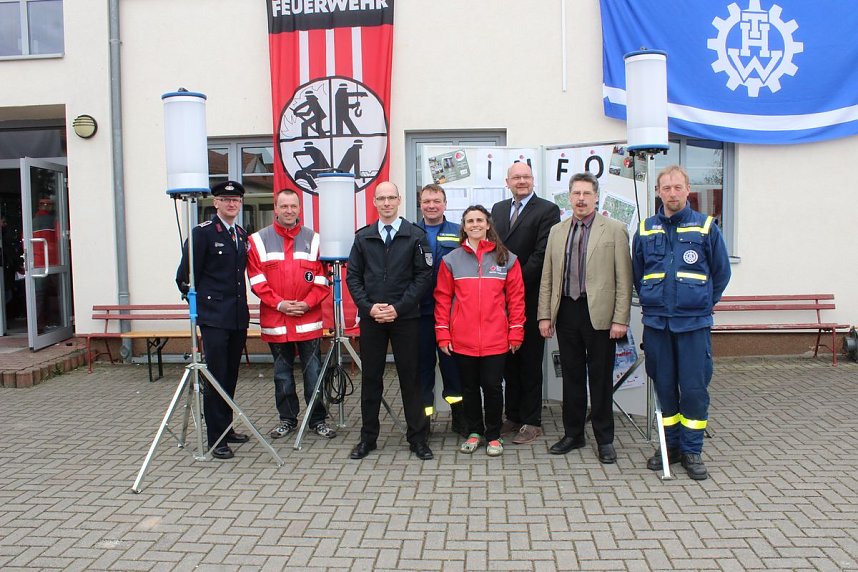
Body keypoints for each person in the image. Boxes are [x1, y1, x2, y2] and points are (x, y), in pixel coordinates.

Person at [633, 165, 731, 480]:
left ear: (687, 189)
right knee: (664, 389)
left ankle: (692, 451)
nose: (672, 193)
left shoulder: (705, 227)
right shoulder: (646, 229)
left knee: (693, 390)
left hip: (693, 325)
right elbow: (638, 273)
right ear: (658, 192)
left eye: (678, 187)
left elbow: (721, 273)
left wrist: (700, 303)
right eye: (666, 188)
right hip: (658, 325)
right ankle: (669, 447)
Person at [537, 172, 633, 463]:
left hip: (600, 315)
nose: (581, 199)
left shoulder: (614, 229)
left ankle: (605, 439)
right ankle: (574, 434)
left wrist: (620, 319)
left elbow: (624, 279)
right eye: (576, 193)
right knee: (572, 378)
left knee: (601, 379)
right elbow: (548, 277)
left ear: (596, 197)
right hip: (566, 311)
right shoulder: (557, 231)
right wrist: (544, 315)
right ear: (569, 197)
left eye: (586, 194)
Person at [345, 181, 434, 460]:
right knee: (371, 379)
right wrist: (369, 308)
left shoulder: (415, 235)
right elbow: (353, 278)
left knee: (411, 378)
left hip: (405, 317)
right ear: (374, 202)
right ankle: (368, 438)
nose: (386, 203)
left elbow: (423, 277)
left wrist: (398, 307)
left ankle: (417, 438)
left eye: (391, 198)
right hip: (372, 319)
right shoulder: (363, 237)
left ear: (399, 200)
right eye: (381, 198)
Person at [434, 205, 526, 457]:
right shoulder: (451, 260)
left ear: (488, 225)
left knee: (493, 387)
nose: (475, 224)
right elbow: (442, 300)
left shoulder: (507, 258)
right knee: (469, 388)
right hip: (462, 339)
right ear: (463, 227)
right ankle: (475, 432)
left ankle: (494, 435)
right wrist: (443, 333)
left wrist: (516, 332)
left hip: (497, 338)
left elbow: (516, 299)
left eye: (479, 220)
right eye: (469, 221)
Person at [246, 189, 336, 442]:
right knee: (282, 375)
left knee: (314, 373)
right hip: (278, 320)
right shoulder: (258, 241)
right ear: (275, 208)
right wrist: (281, 304)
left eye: (293, 206)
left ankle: (317, 420)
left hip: (308, 320)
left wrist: (306, 304)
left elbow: (322, 279)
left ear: (299, 208)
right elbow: (257, 280)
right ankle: (287, 419)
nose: (288, 211)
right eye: (283, 206)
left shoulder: (315, 240)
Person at [176, 181, 251, 460]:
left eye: (236, 200)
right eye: (225, 199)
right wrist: (201, 307)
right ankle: (215, 437)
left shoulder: (241, 235)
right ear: (215, 203)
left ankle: (227, 427)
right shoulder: (202, 234)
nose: (231, 204)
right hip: (215, 319)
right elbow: (184, 277)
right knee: (215, 375)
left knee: (230, 375)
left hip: (236, 317)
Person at [491, 162, 560, 444]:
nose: (522, 181)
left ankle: (532, 421)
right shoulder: (496, 209)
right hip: (500, 299)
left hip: (530, 295)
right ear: (507, 181)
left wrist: (513, 282)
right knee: (508, 359)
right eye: (516, 177)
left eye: (526, 177)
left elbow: (542, 254)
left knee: (530, 360)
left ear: (533, 180)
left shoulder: (547, 210)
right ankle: (514, 415)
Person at [415, 184, 464, 435]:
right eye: (426, 201)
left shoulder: (459, 232)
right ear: (420, 204)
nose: (431, 205)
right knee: (422, 371)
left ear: (445, 204)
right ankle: (424, 423)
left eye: (436, 201)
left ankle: (460, 419)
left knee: (453, 369)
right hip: (419, 315)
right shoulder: (410, 233)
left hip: (452, 314)